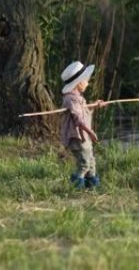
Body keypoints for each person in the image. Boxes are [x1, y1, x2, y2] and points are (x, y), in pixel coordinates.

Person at [60, 61, 106, 189]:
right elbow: (79, 120)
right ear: (79, 82)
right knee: (84, 163)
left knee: (91, 161)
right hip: (78, 137)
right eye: (86, 80)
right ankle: (77, 185)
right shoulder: (71, 99)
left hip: (84, 136)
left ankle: (92, 185)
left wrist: (95, 106)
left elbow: (84, 113)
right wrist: (90, 132)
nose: (88, 83)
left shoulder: (79, 98)